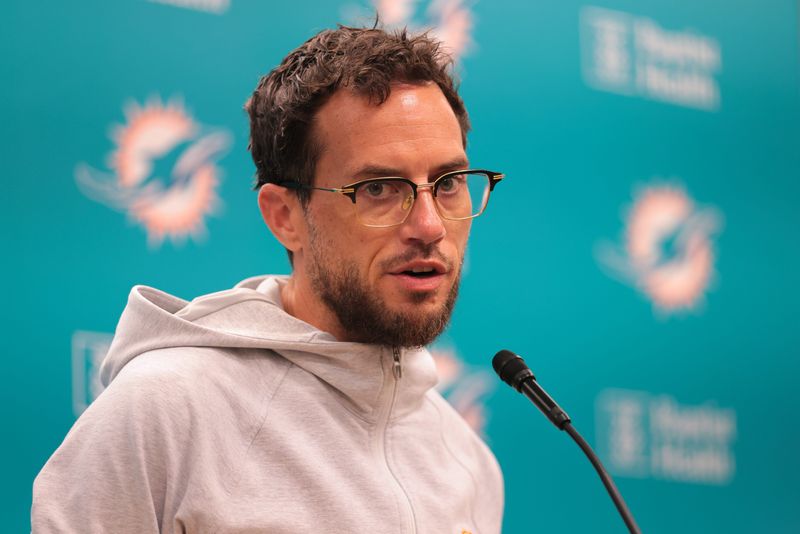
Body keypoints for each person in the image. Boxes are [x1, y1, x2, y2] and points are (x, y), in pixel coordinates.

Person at [32, 24, 505, 533]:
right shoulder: (163, 414)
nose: (430, 226)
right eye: (378, 188)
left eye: (449, 183)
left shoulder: (468, 461)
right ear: (285, 216)